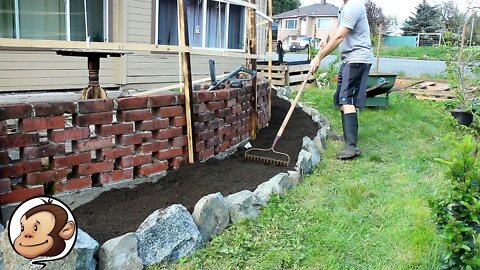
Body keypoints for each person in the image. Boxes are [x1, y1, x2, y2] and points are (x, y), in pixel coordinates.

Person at [310, 0, 374, 160]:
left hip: (357, 58)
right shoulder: (344, 7)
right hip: (349, 59)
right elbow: (336, 31)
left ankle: (351, 146)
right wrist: (326, 38)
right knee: (341, 97)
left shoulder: (353, 6)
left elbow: (340, 36)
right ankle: (348, 137)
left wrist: (319, 56)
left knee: (347, 99)